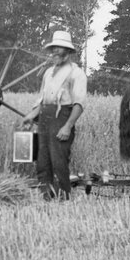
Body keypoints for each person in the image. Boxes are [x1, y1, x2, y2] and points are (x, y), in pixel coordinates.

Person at [19, 30, 87, 201]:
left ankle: (64, 198)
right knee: (42, 161)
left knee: (59, 162)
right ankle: (46, 198)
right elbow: (42, 99)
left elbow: (79, 104)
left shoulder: (76, 73)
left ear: (68, 51)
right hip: (44, 118)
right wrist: (30, 116)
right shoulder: (48, 72)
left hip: (62, 118)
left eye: (60, 48)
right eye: (54, 47)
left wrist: (67, 126)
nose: (56, 51)